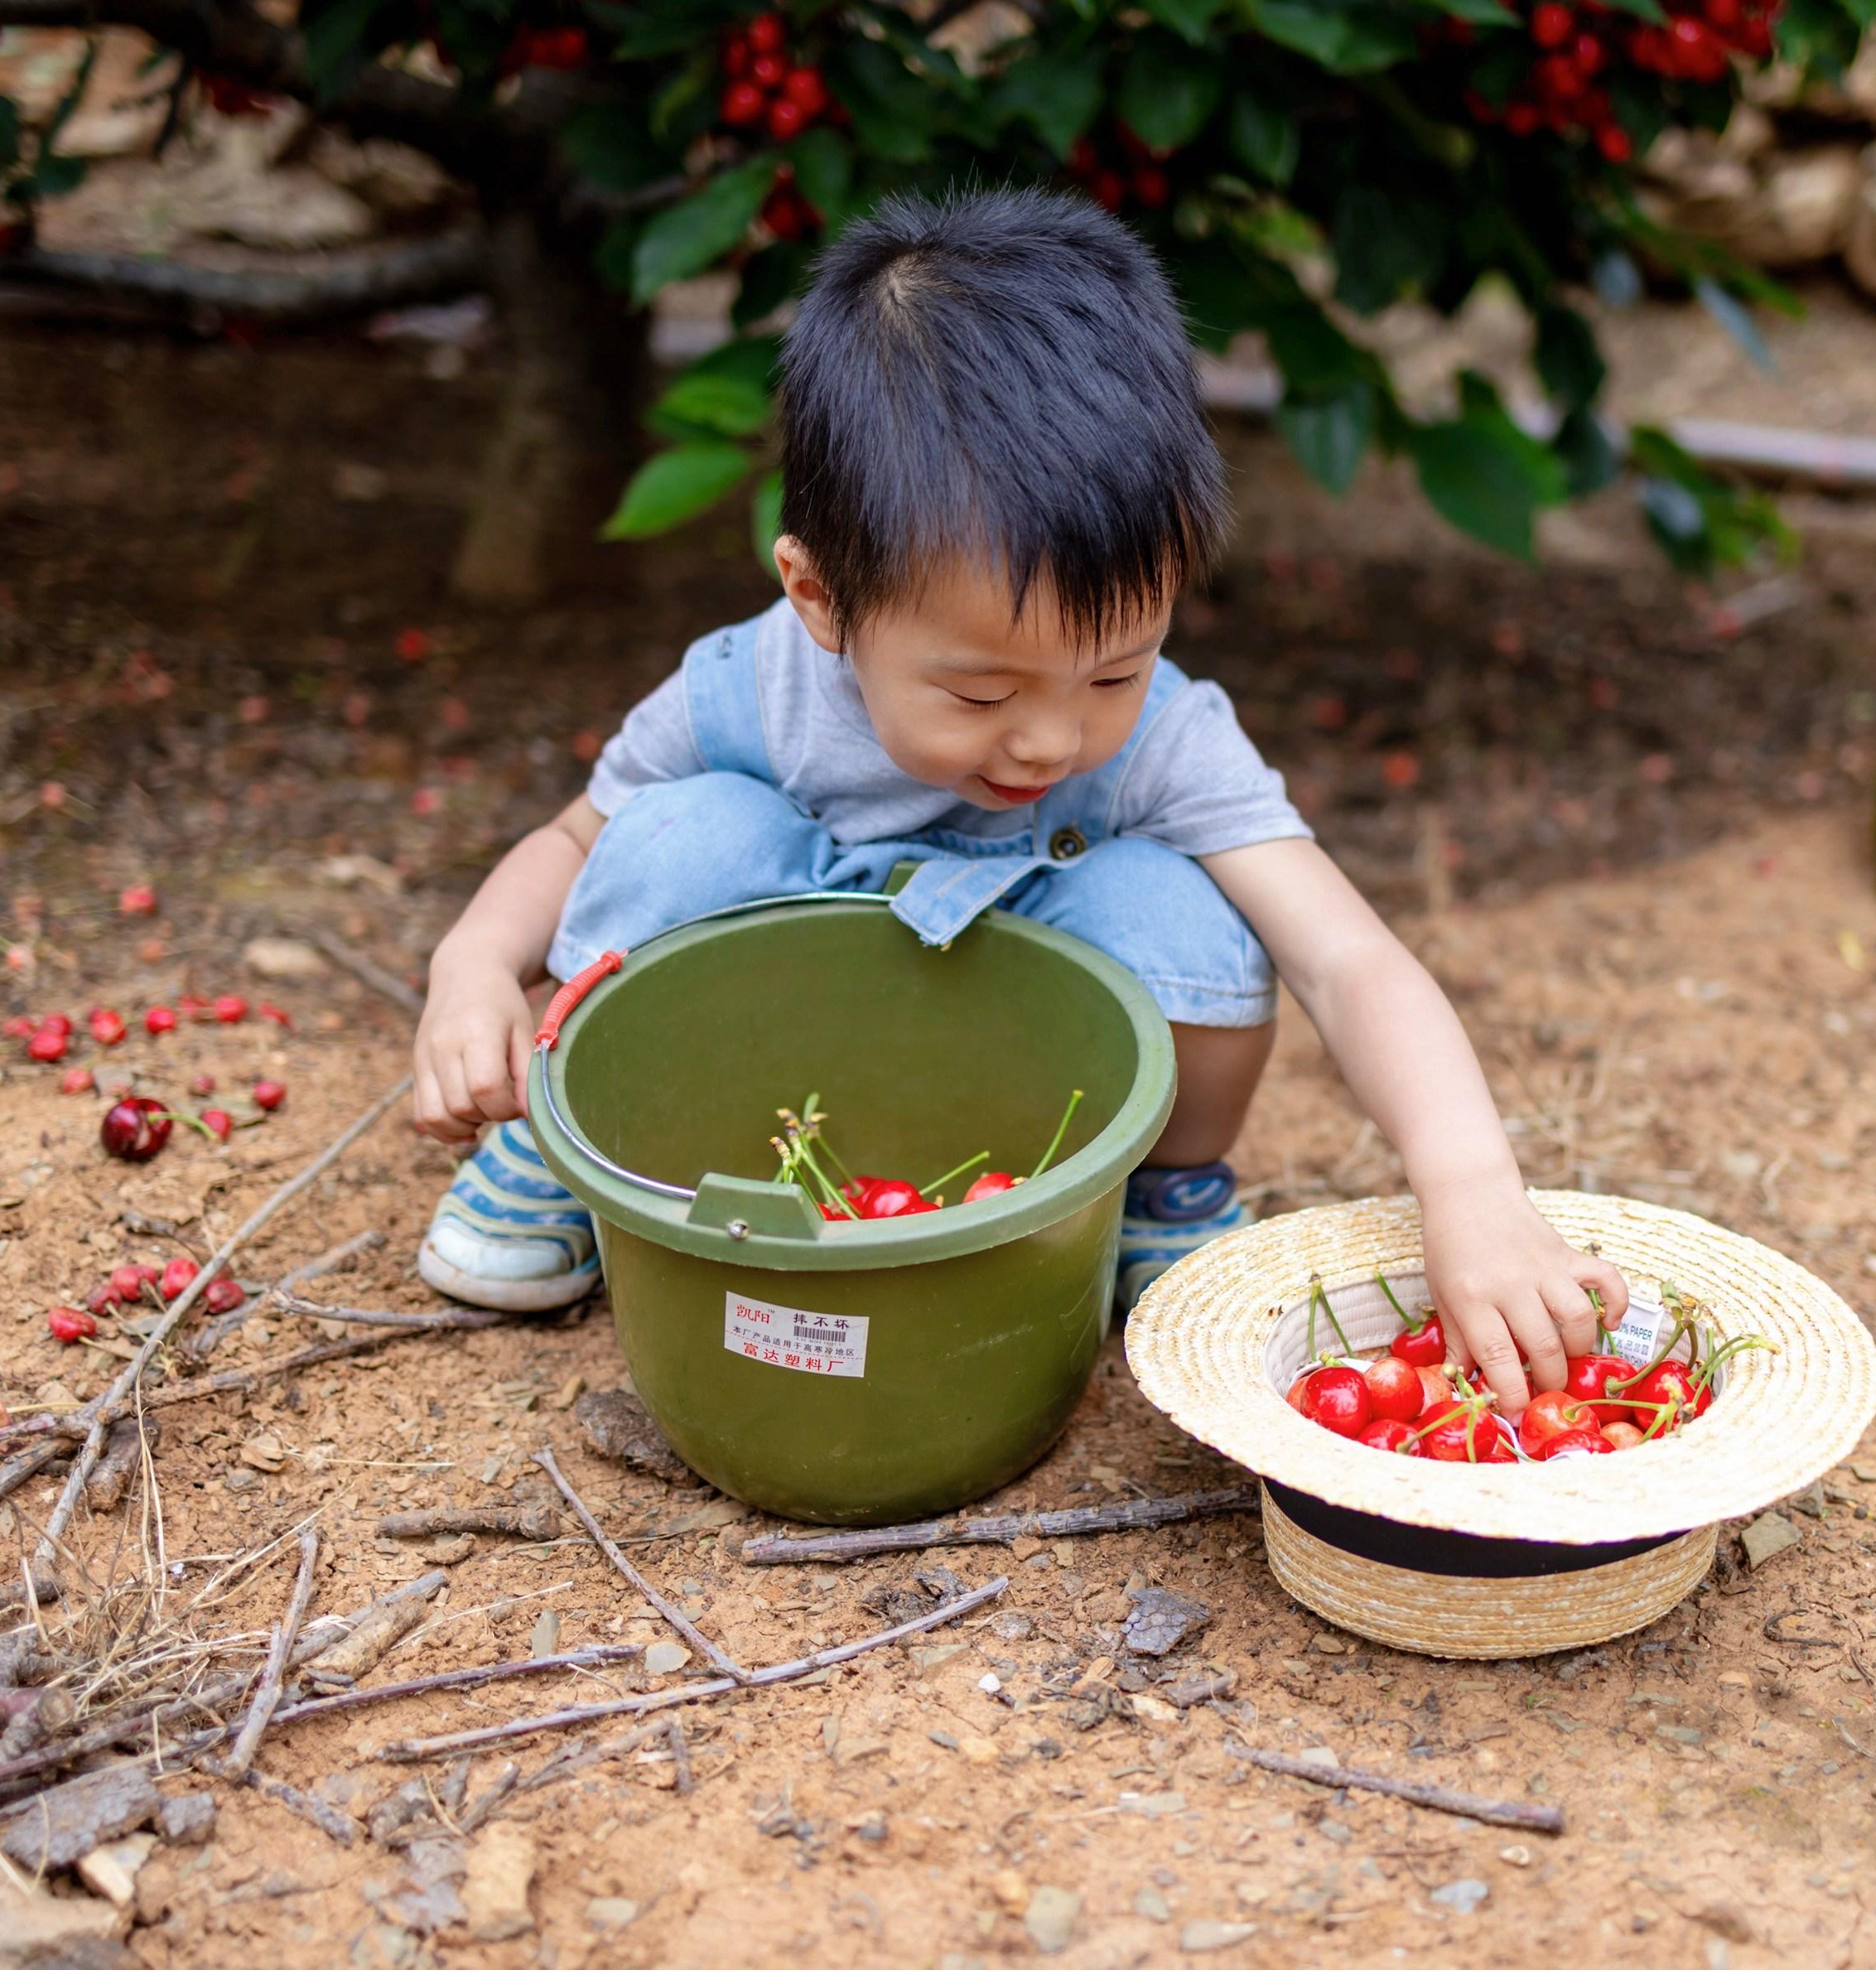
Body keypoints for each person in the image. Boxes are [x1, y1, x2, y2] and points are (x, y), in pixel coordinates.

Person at [406, 187, 1623, 1412]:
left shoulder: (1166, 738)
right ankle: (591, 1141)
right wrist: (473, 963)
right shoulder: (753, 689)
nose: (1052, 736)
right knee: (677, 839)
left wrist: (1471, 1186)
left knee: (1178, 906)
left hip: (1038, 1094)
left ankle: (1157, 1187)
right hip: (783, 1085)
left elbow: (1351, 959)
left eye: (1112, 669)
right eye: (981, 689)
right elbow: (575, 838)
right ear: (820, 599)